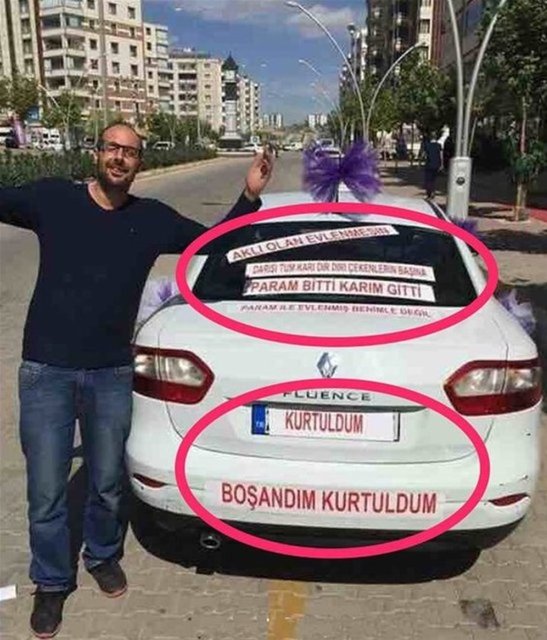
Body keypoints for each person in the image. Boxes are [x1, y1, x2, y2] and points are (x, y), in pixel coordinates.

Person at [0, 122, 274, 639]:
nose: (119, 158)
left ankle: (102, 555)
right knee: (46, 491)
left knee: (107, 481)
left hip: (110, 373)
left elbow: (211, 242)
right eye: (112, 148)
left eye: (129, 152)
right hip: (46, 372)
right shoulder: (53, 199)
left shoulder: (150, 219)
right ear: (97, 152)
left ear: (138, 163)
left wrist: (249, 196)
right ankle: (52, 582)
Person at [420, 131, 443, 199]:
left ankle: (429, 193)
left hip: (429, 164)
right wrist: (442, 164)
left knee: (428, 179)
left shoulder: (427, 145)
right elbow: (441, 156)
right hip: (436, 164)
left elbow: (423, 155)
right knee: (433, 179)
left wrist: (420, 162)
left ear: (430, 137)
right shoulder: (439, 145)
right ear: (436, 137)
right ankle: (433, 191)